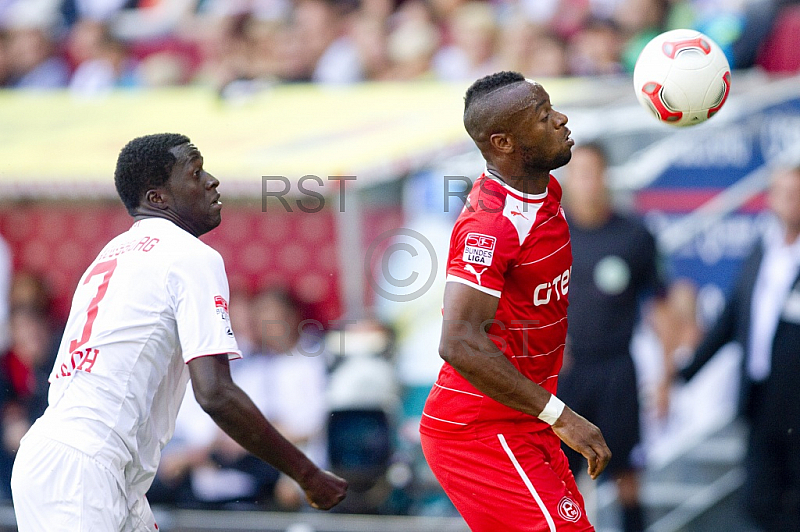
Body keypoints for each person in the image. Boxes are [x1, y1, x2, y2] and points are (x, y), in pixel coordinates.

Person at [10, 133, 347, 531]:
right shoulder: (191, 256)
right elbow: (215, 393)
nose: (212, 181)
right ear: (158, 198)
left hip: (72, 461)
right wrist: (306, 474)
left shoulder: (111, 253)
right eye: (196, 172)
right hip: (85, 469)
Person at [419, 71, 611, 531]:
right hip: (478, 428)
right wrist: (562, 417)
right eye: (544, 118)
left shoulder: (545, 192)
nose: (562, 120)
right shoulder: (490, 226)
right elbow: (458, 342)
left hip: (526, 417)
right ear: (503, 142)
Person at [671, 165, 800, 532]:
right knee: (757, 500)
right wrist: (685, 371)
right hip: (761, 397)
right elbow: (732, 318)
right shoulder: (764, 247)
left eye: (796, 193)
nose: (788, 201)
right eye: (781, 192)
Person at [558, 142, 666, 532]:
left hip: (617, 370)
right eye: (580, 173)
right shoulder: (550, 233)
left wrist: (667, 375)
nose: (588, 182)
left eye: (594, 172)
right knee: (559, 480)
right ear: (569, 179)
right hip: (564, 375)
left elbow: (660, 304)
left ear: (606, 177)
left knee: (627, 475)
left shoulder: (634, 234)